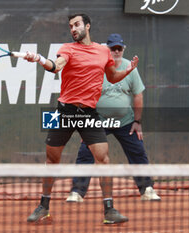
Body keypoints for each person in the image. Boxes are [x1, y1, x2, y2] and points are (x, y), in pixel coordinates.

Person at [21, 14, 139, 224]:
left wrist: (127, 70)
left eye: (76, 25)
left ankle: (109, 210)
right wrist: (39, 59)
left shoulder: (103, 51)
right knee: (52, 160)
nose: (73, 29)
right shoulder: (67, 48)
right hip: (64, 110)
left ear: (87, 26)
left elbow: (111, 76)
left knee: (104, 159)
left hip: (89, 113)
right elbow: (56, 66)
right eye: (70, 26)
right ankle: (43, 206)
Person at [66, 33, 160, 203]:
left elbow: (138, 95)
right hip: (99, 120)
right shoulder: (96, 68)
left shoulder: (130, 68)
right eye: (113, 48)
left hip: (125, 121)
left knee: (137, 151)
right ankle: (77, 192)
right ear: (107, 50)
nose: (116, 51)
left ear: (123, 49)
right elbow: (85, 96)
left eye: (119, 48)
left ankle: (147, 189)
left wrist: (137, 122)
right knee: (86, 152)